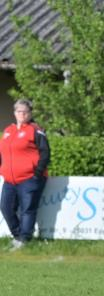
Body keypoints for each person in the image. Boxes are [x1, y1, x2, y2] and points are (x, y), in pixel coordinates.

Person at [0, 99, 50, 251]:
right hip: (9, 180)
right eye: (19, 111)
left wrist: (37, 173)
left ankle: (24, 239)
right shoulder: (8, 131)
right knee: (6, 208)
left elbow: (45, 152)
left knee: (27, 209)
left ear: (30, 113)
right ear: (14, 113)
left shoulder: (35, 129)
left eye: (25, 111)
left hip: (30, 178)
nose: (22, 114)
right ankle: (18, 236)